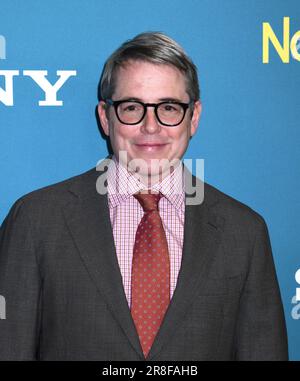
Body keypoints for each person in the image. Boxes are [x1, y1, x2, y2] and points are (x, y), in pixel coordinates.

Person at [0, 32, 288, 361]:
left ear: (193, 117)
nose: (150, 126)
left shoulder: (244, 233)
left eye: (168, 107)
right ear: (105, 117)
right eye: (132, 107)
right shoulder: (37, 220)